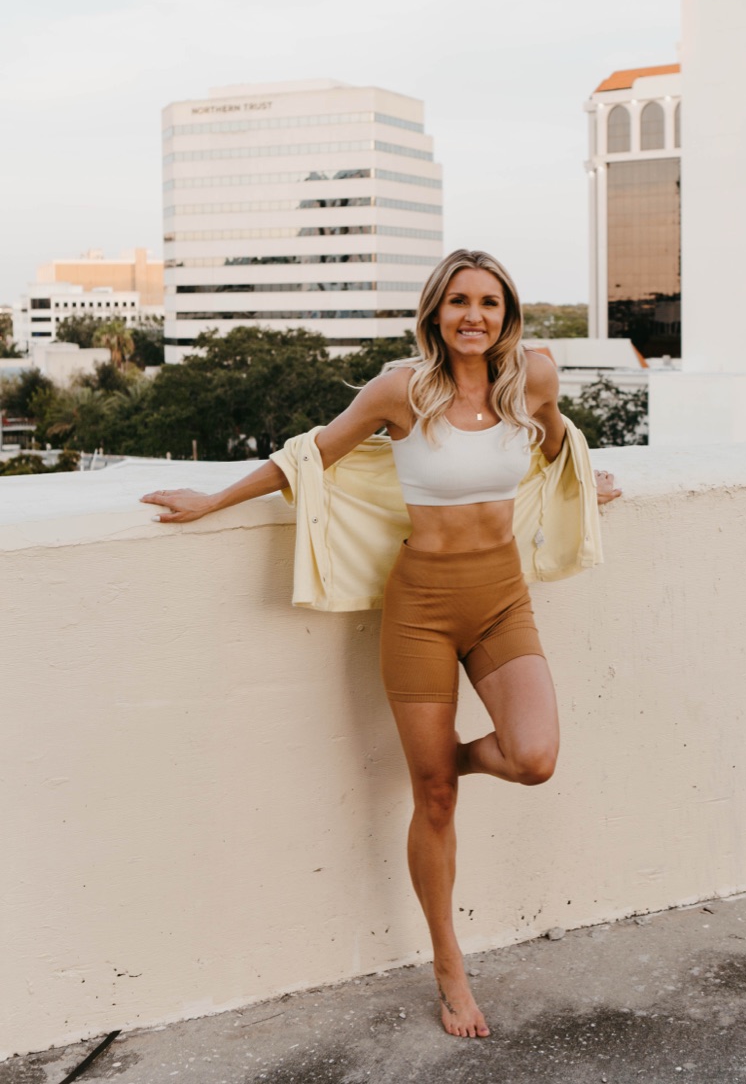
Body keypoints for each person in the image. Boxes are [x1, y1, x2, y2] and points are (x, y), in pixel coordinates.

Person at [141, 248, 620, 1039]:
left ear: (508, 314)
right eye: (459, 301)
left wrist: (586, 482)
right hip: (421, 607)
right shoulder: (402, 390)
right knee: (434, 801)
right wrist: (213, 498)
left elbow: (551, 441)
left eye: (489, 303)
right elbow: (312, 456)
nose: (474, 316)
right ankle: (448, 968)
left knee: (534, 757)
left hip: (502, 599)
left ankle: (446, 756)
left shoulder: (531, 375)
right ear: (435, 311)